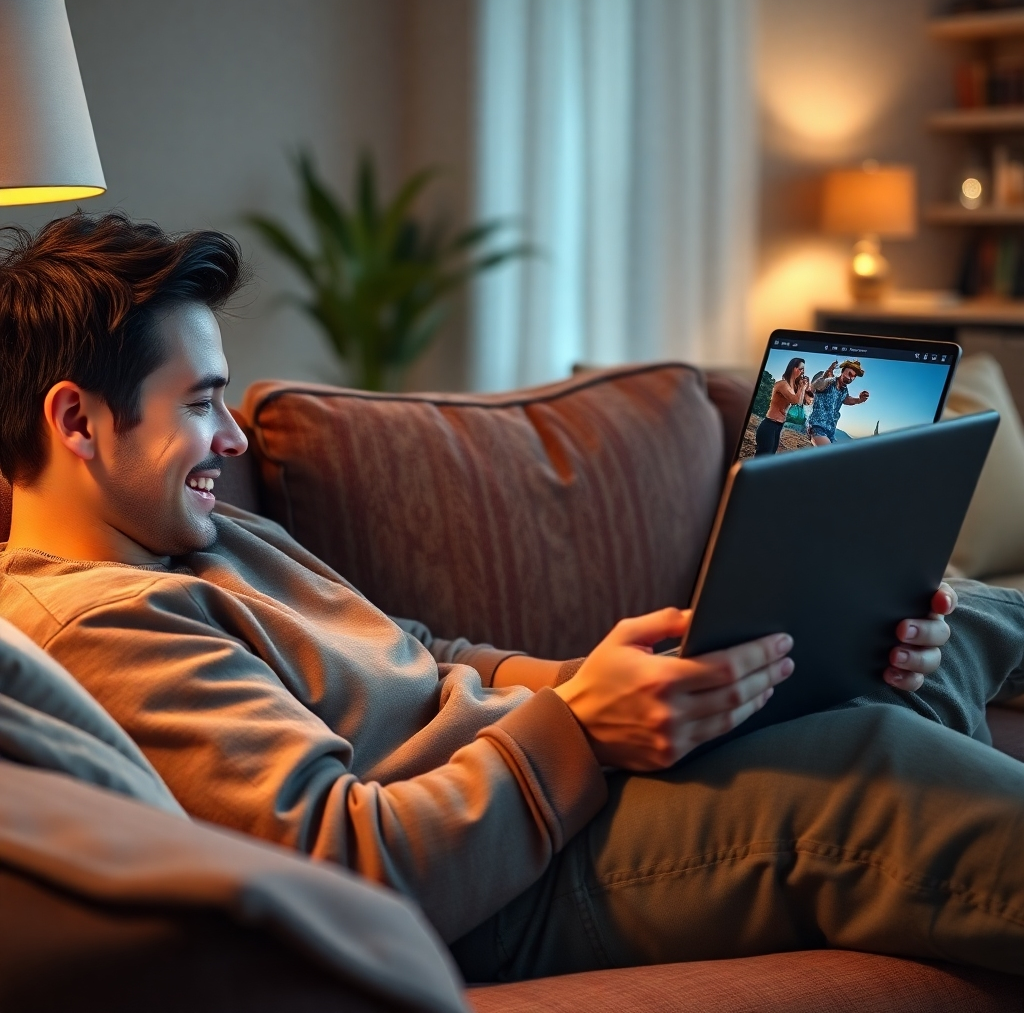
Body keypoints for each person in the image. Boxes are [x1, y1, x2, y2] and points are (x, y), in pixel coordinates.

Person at [1, 213, 1023, 981]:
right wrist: (577, 728)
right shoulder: (101, 625)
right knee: (868, 759)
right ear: (78, 422)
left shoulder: (207, 536)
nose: (232, 438)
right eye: (203, 399)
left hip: (563, 785)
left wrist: (623, 677)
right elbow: (346, 865)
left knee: (941, 621)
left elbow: (418, 649)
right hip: (512, 884)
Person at [754, 357, 809, 456]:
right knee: (762, 460)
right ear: (793, 368)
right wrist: (802, 387)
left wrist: (803, 387)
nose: (803, 371)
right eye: (801, 369)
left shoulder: (792, 388)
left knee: (768, 460)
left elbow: (801, 402)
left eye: (804, 369)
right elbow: (795, 400)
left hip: (778, 427)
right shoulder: (782, 384)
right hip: (769, 425)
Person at [808, 359, 870, 445]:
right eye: (849, 374)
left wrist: (859, 400)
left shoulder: (844, 390)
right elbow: (816, 386)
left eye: (853, 376)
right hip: (817, 427)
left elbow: (847, 399)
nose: (851, 378)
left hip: (831, 431)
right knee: (829, 453)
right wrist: (827, 373)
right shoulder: (829, 381)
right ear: (843, 371)